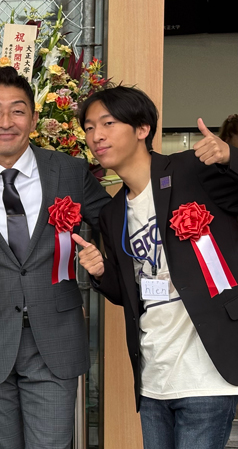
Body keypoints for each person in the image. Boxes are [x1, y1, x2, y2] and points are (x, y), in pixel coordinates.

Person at [0, 66, 111, 448]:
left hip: (55, 338)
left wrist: (103, 266)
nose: (5, 122)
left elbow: (114, 224)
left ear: (33, 119)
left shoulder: (69, 172)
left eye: (17, 110)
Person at [74, 86, 238, 449]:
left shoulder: (190, 170)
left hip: (206, 375)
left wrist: (230, 156)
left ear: (142, 128)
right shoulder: (113, 212)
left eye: (108, 123)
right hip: (153, 379)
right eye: (89, 127)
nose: (96, 136)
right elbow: (129, 294)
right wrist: (100, 273)